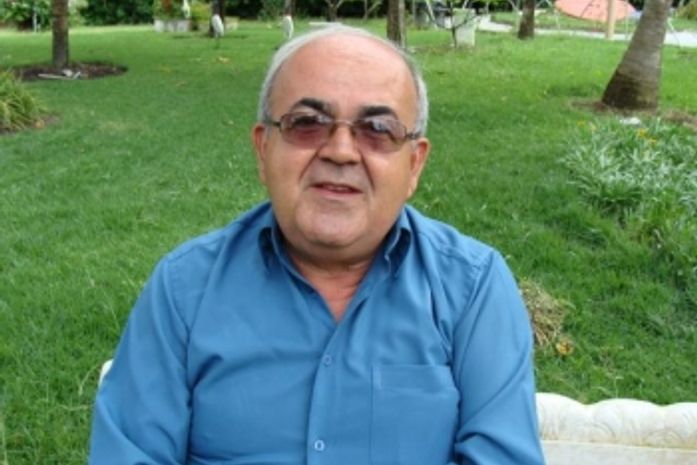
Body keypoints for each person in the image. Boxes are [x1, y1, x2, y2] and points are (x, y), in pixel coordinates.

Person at [88, 25, 546, 465]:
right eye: (307, 123)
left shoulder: (472, 289)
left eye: (377, 128)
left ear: (414, 165)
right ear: (263, 150)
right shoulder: (184, 290)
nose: (340, 151)